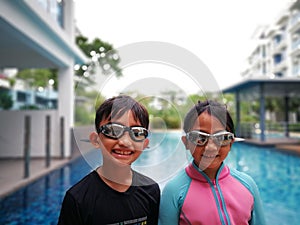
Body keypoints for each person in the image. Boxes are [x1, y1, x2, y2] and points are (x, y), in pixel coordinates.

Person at [159, 100, 266, 225]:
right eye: (200, 138)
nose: (211, 147)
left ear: (231, 143)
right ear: (186, 142)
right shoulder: (174, 190)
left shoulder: (247, 185)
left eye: (221, 137)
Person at [57, 95, 160, 225]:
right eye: (113, 130)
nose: (125, 142)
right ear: (96, 140)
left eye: (136, 132)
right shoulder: (78, 199)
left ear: (144, 144)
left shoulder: (151, 190)